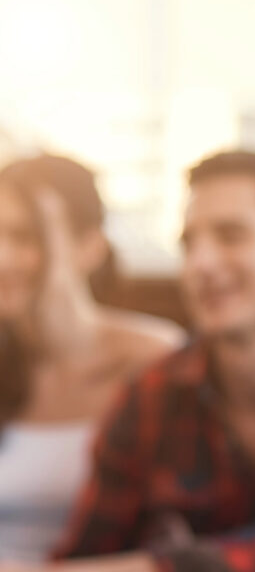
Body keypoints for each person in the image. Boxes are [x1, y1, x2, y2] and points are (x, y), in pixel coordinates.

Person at [10, 150, 255, 572]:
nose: (201, 263)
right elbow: (83, 557)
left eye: (230, 236)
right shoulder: (152, 393)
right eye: (188, 244)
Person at [0, 155, 183, 563]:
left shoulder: (157, 361)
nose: (2, 257)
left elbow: (179, 542)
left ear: (90, 247)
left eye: (24, 237)